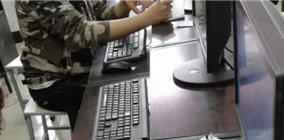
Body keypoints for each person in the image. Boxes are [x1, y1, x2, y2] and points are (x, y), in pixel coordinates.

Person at [15, 0, 172, 129]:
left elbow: (100, 12)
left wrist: (124, 5)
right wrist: (147, 18)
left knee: (142, 75)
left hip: (83, 67)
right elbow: (82, 33)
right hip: (55, 84)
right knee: (131, 91)